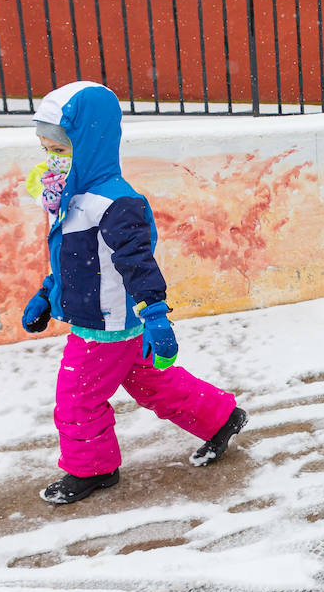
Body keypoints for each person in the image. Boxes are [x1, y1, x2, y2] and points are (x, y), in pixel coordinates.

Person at [20, 81, 247, 504]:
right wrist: (48, 294)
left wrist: (157, 315)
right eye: (45, 150)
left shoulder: (113, 202)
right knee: (152, 384)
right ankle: (220, 418)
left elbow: (137, 263)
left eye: (59, 150)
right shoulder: (71, 198)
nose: (51, 160)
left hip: (105, 326)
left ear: (88, 141)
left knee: (76, 399)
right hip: (105, 318)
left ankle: (92, 470)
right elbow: (75, 262)